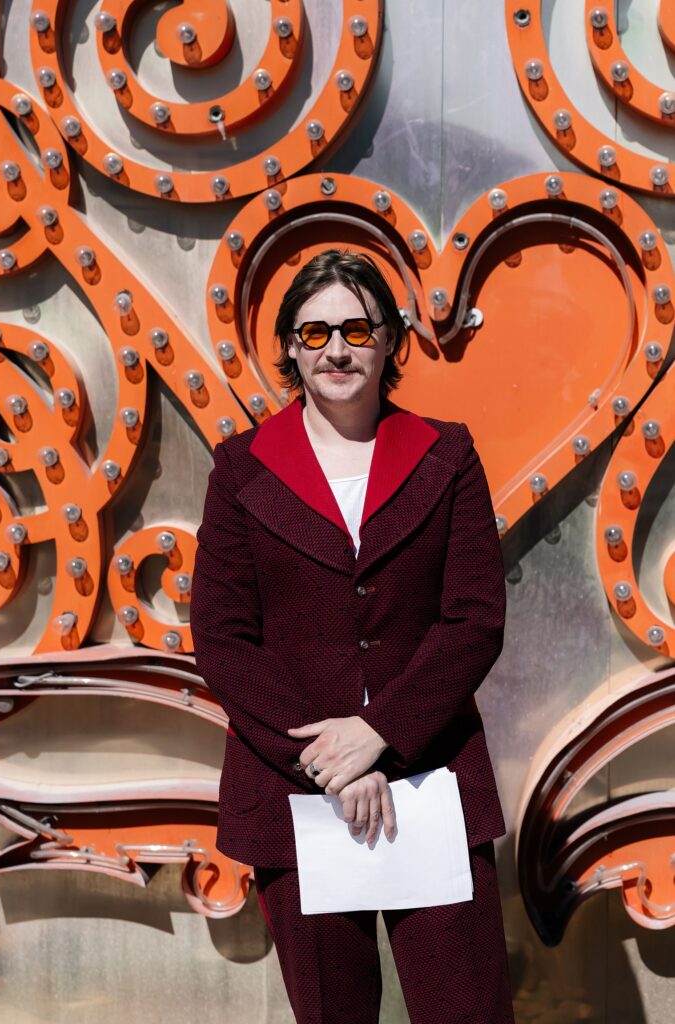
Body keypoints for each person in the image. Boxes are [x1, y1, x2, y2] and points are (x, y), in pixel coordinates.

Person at [189, 249, 516, 1023]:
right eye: (315, 331)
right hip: (295, 790)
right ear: (291, 348)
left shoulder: (447, 455)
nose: (336, 349)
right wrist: (333, 758)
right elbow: (224, 636)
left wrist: (380, 733)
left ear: (390, 342)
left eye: (356, 328)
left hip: (428, 781)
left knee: (466, 1010)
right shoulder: (242, 469)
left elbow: (473, 618)